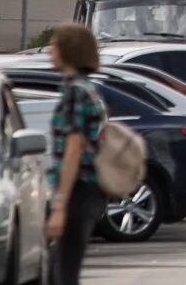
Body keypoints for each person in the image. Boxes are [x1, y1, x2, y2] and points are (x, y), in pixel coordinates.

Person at [46, 23, 108, 285]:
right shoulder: (87, 89)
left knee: (63, 273)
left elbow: (73, 148)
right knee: (62, 270)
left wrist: (59, 204)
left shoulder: (75, 92)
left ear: (68, 50)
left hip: (77, 191)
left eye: (55, 44)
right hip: (88, 190)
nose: (50, 50)